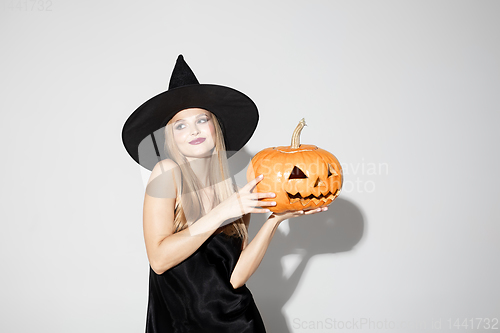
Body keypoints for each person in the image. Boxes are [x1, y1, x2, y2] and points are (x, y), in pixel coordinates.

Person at [122, 55, 327, 333]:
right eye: (180, 125)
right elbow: (159, 260)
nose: (193, 130)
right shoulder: (166, 172)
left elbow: (236, 277)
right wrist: (223, 212)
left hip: (239, 323)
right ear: (171, 136)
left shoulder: (232, 191)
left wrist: (275, 220)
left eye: (201, 120)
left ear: (214, 127)